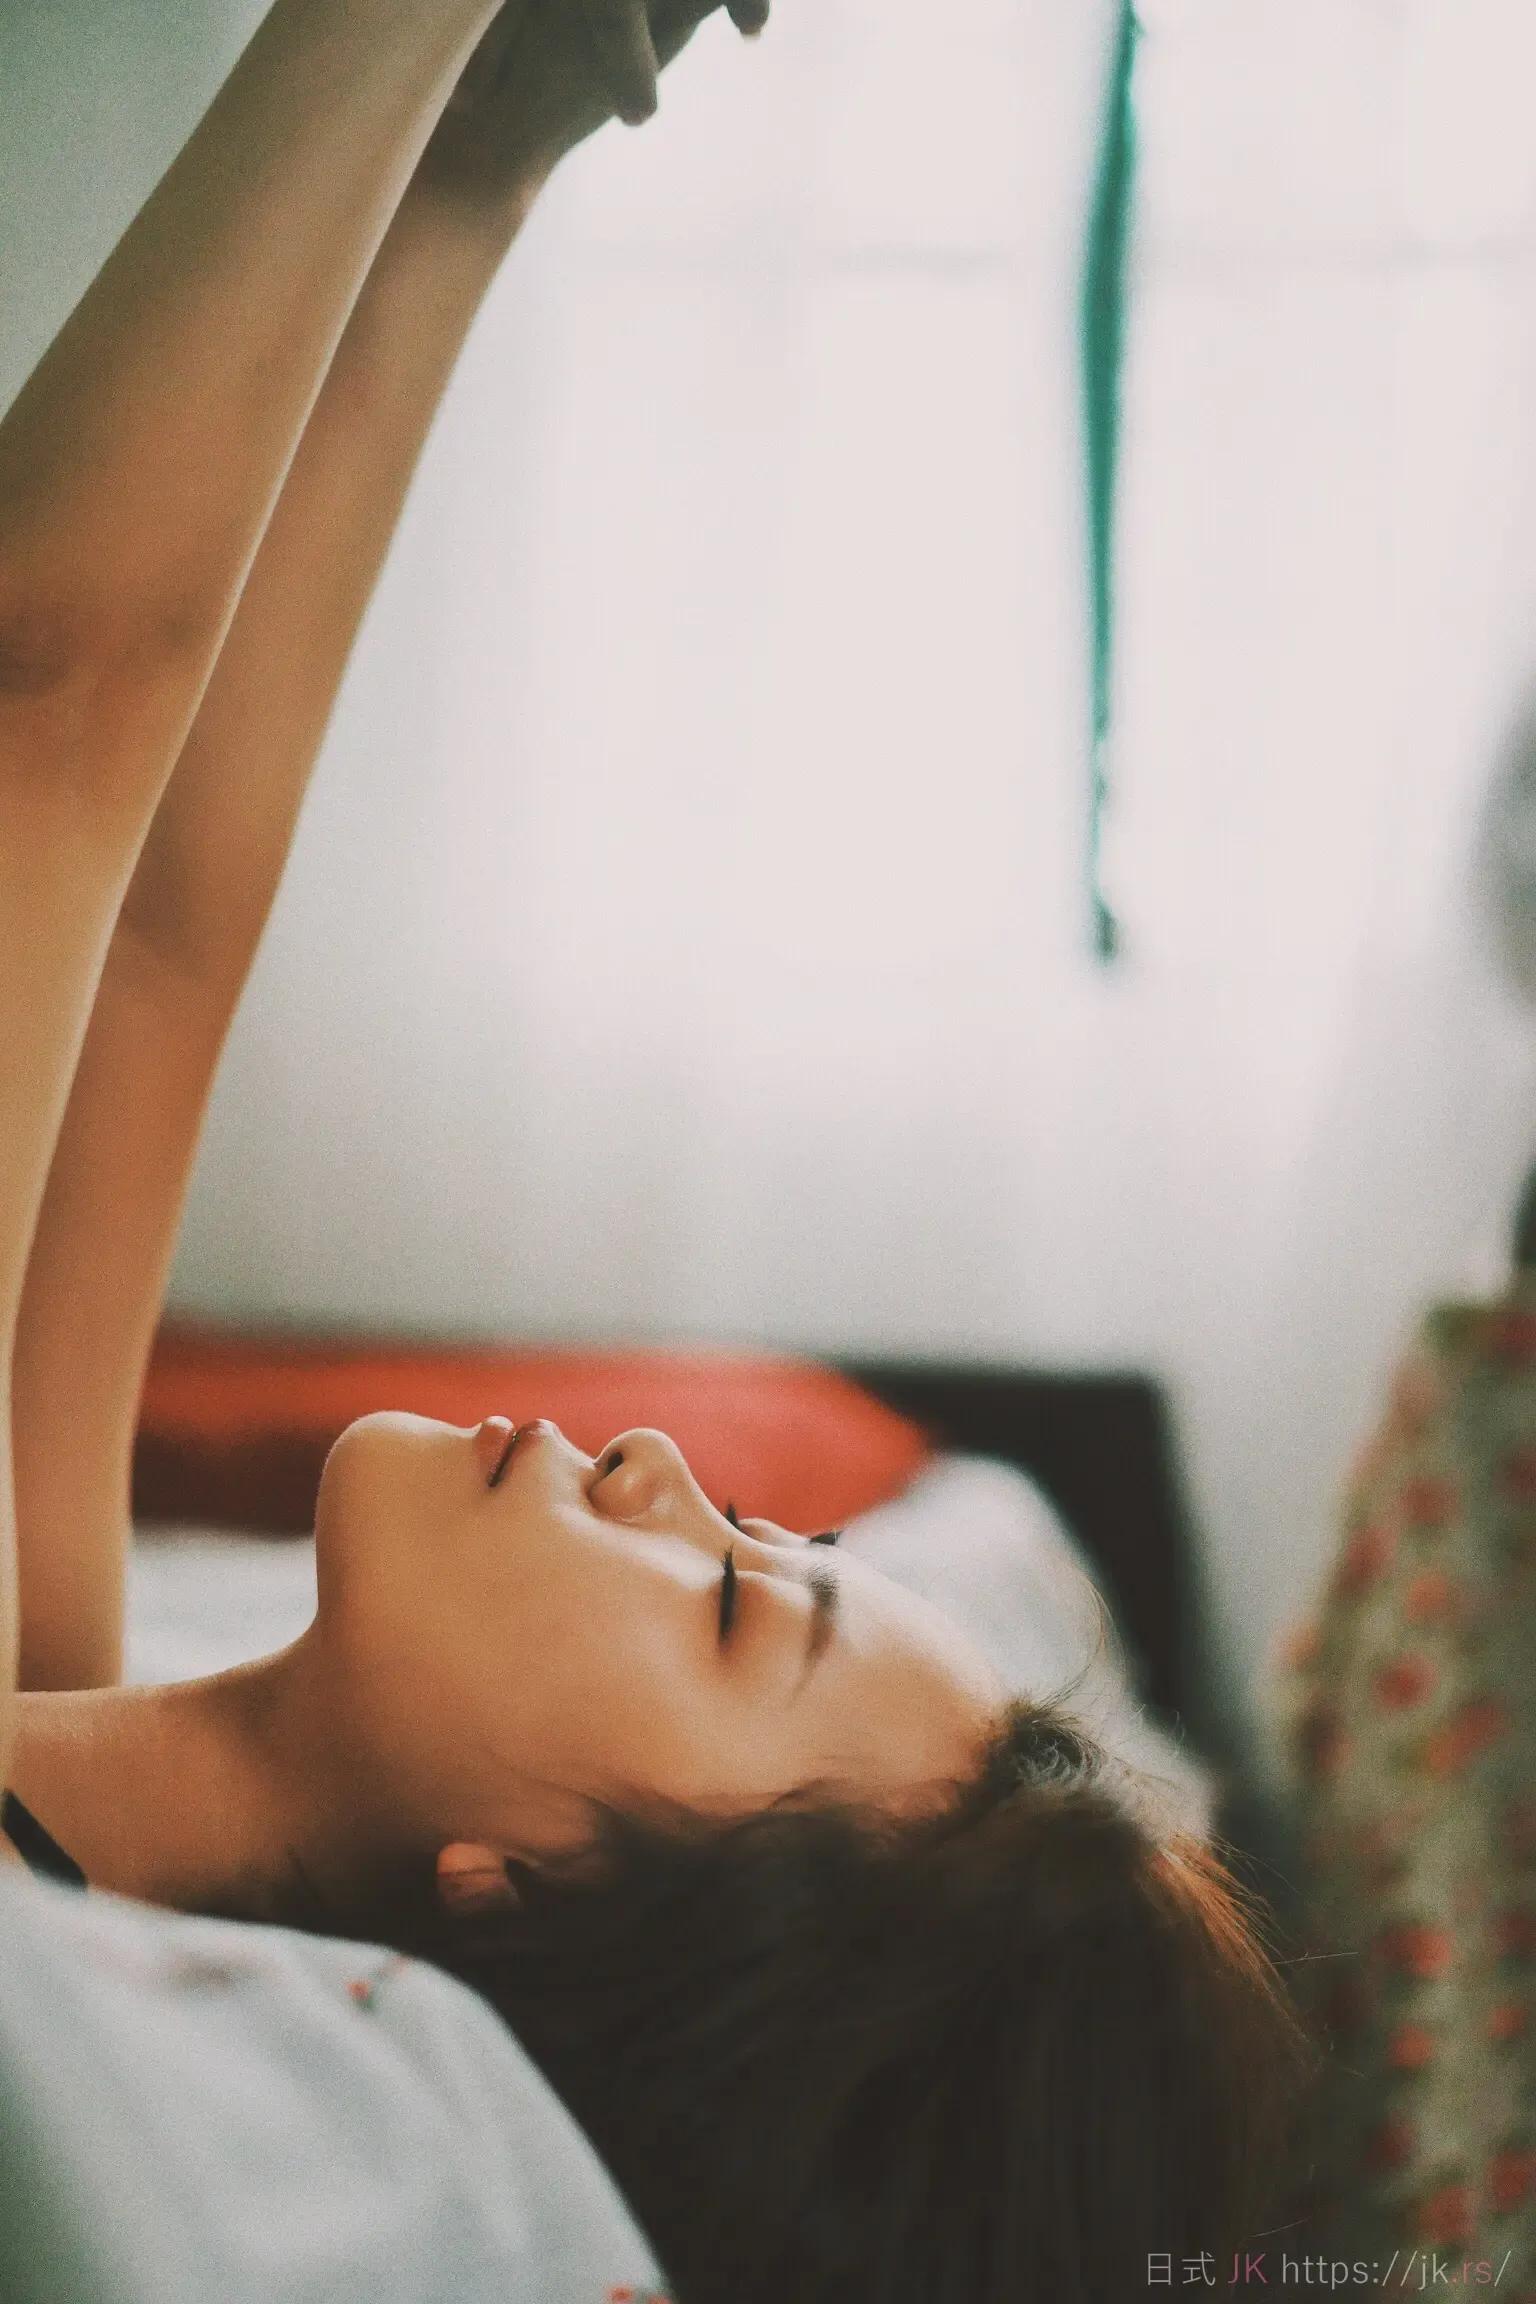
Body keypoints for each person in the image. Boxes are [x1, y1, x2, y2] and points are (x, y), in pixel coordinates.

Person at [0, 2, 1314, 2298]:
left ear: (537, 1892)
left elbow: (48, 711)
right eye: (754, 1533)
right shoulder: (53, 1691)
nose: (660, 1474)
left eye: (727, 1606)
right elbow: (152, 964)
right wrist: (477, 166)